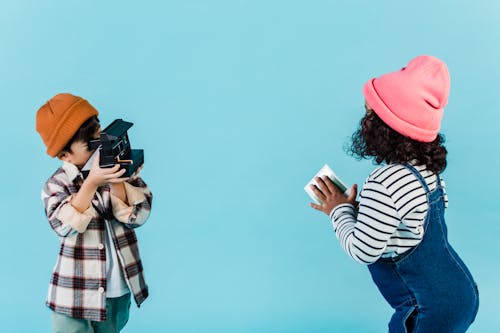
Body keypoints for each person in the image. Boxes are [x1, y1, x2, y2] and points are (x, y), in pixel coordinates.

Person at [309, 56, 479, 332]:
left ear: (385, 126)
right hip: (461, 294)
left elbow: (363, 249)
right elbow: (407, 228)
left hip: (426, 307)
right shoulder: (426, 172)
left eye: (368, 114)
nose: (363, 122)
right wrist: (362, 211)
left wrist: (338, 210)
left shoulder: (385, 181)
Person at [36, 93, 152, 333]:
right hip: (74, 294)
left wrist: (117, 178)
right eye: (90, 145)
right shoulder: (57, 184)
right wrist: (90, 185)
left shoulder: (118, 167)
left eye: (100, 137)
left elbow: (137, 217)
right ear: (64, 155)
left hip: (116, 289)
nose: (99, 147)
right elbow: (63, 226)